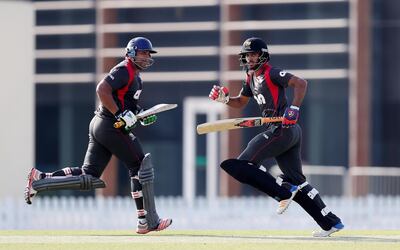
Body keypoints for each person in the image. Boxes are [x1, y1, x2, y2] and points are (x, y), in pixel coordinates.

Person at [24, 37, 172, 234]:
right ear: (131, 53)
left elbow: (127, 105)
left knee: (89, 175)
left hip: (102, 124)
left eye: (148, 54)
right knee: (139, 166)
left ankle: (40, 179)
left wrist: (142, 115)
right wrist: (120, 114)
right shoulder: (124, 69)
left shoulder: (136, 77)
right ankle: (146, 220)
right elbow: (102, 89)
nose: (146, 57)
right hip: (109, 125)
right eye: (143, 53)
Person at [209, 37, 344, 237]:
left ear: (263, 55)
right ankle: (330, 223)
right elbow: (240, 103)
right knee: (298, 181)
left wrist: (294, 108)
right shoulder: (250, 78)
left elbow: (301, 83)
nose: (249, 59)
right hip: (287, 132)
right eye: (246, 56)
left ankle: (283, 191)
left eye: (253, 55)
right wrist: (226, 99)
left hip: (282, 129)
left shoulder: (271, 73)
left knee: (242, 165)